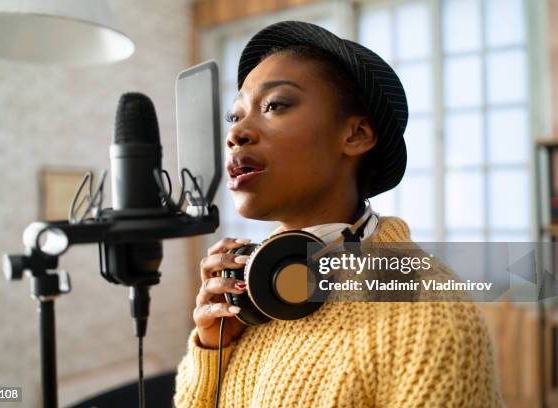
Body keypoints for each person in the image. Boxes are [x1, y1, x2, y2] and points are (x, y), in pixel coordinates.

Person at [174, 21, 503, 407]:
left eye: (274, 105)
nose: (236, 133)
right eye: (235, 117)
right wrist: (211, 353)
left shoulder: (430, 316)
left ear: (355, 135)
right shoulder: (250, 298)